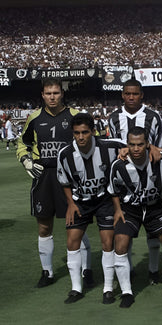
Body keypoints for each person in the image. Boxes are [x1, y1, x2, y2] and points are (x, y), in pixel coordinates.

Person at [16, 78, 93, 289]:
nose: (52, 97)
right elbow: (23, 143)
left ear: (62, 94)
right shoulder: (34, 118)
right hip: (44, 177)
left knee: (77, 225)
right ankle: (47, 272)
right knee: (44, 226)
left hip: (70, 177)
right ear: (42, 94)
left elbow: (91, 142)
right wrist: (26, 160)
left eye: (56, 93)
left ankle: (86, 270)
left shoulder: (76, 116)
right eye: (48, 93)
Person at [57, 113, 124, 304]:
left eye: (85, 132)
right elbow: (65, 182)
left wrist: (144, 148)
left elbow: (134, 145)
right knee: (72, 241)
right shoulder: (65, 154)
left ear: (93, 131)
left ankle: (108, 288)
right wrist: (70, 203)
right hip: (80, 202)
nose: (80, 137)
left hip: (104, 200)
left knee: (107, 241)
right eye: (76, 133)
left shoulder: (110, 146)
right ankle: (76, 288)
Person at [107, 126, 162, 308]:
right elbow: (113, 190)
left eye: (140, 144)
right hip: (130, 209)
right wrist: (117, 210)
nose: (136, 149)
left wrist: (157, 149)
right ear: (126, 145)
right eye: (131, 144)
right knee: (120, 244)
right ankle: (127, 292)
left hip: (157, 208)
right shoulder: (119, 165)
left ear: (147, 144)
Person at [108, 78, 162, 284]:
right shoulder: (113, 118)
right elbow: (114, 147)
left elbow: (159, 147)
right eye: (127, 94)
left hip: (149, 176)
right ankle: (129, 269)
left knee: (152, 230)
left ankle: (153, 270)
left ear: (141, 95)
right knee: (126, 228)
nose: (131, 97)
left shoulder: (153, 116)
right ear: (122, 95)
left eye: (135, 94)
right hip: (125, 180)